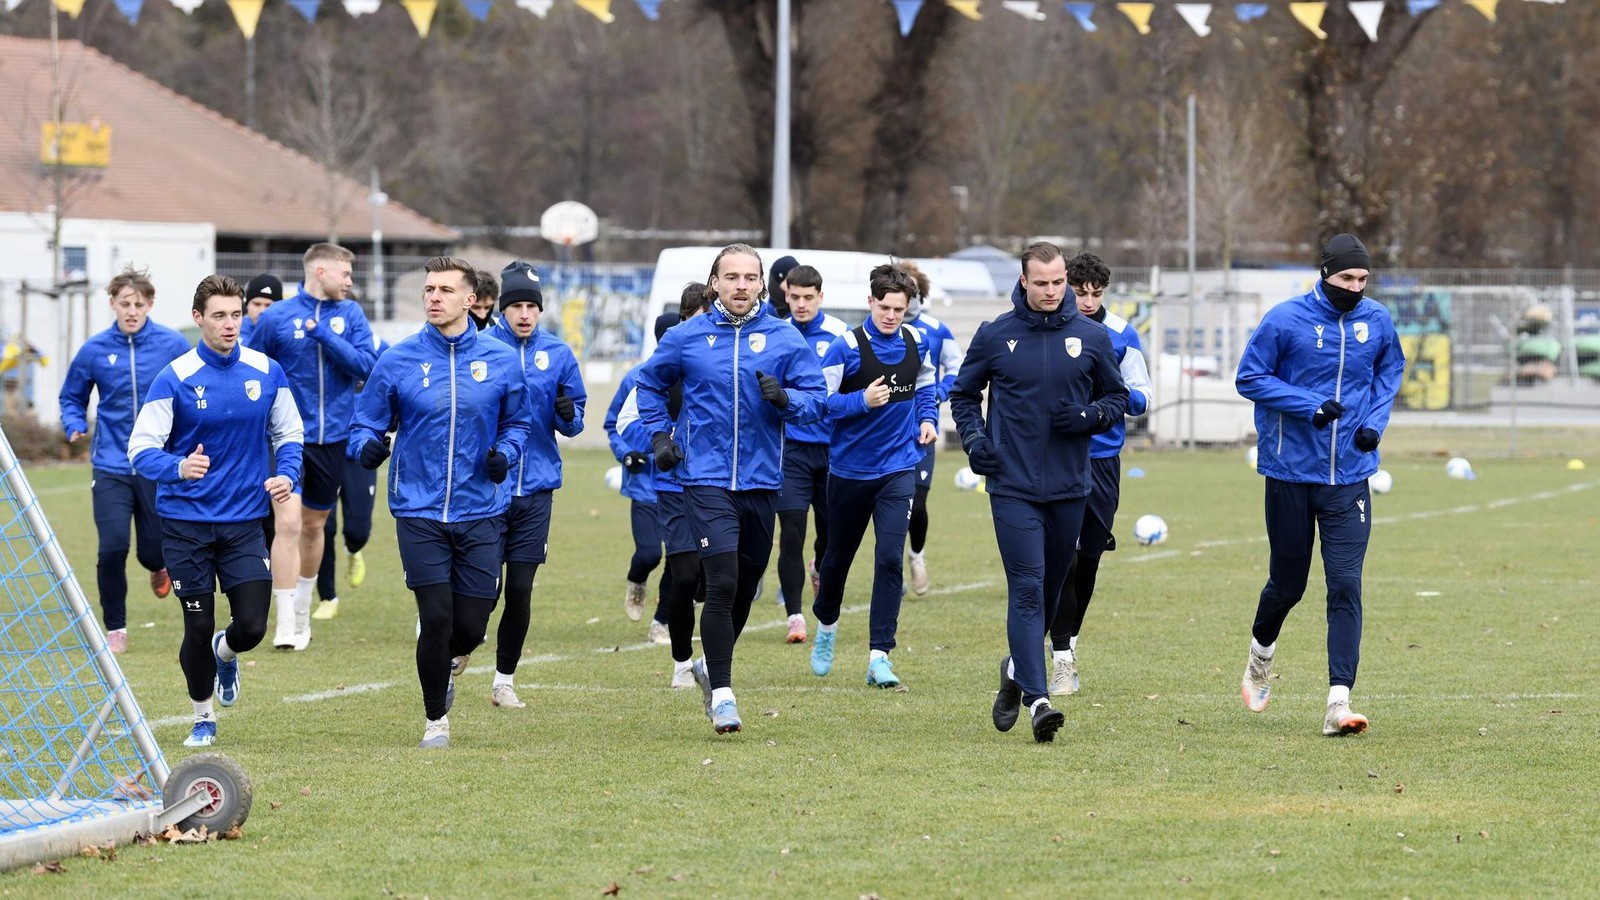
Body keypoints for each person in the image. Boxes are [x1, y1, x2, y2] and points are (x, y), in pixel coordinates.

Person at [633, 244, 826, 734]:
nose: (741, 285)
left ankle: (708, 666)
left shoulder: (783, 338)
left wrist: (787, 400)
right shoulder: (686, 337)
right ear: (714, 282)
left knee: (744, 585)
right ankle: (722, 694)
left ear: (763, 284)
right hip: (705, 477)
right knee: (719, 581)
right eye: (731, 277)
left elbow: (815, 397)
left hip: (762, 480)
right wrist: (661, 436)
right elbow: (650, 385)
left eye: (750, 277)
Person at [949, 242, 1129, 744]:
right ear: (1024, 282)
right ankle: (1039, 699)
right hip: (1012, 485)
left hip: (1071, 487)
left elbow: (1117, 398)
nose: (1051, 291)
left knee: (1050, 592)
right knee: (1027, 587)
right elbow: (963, 395)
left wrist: (1089, 418)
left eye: (1058, 282)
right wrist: (975, 441)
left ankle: (1014, 669)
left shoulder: (1092, 337)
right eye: (1041, 283)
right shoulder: (994, 335)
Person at [348, 256, 529, 749]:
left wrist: (505, 455)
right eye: (429, 289)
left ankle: (451, 663)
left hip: (481, 510)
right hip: (418, 509)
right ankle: (435, 722)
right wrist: (366, 447)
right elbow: (365, 424)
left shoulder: (500, 360)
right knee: (436, 616)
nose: (434, 297)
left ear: (471, 300)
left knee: (471, 624)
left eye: (446, 290)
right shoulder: (399, 359)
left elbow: (518, 424)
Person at [1236, 233, 1405, 737]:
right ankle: (1260, 657)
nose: (1356, 287)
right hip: (1289, 473)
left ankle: (1338, 702)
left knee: (1346, 584)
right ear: (1326, 273)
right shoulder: (1285, 319)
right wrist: (1306, 404)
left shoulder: (1376, 320)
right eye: (1347, 278)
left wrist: (1374, 423)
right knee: (1287, 585)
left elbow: (1389, 371)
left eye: (1363, 279)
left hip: (1349, 478)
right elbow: (1250, 377)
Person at [127, 275, 303, 748]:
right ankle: (203, 716)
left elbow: (289, 433)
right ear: (198, 318)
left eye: (236, 314)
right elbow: (140, 448)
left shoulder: (267, 371)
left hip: (245, 523)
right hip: (186, 526)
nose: (231, 325)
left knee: (251, 626)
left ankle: (226, 654)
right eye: (219, 315)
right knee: (197, 622)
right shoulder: (176, 377)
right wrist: (179, 466)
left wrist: (287, 474)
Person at [808, 263, 938, 688]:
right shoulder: (845, 347)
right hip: (848, 472)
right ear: (870, 302)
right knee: (837, 561)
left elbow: (926, 387)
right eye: (885, 307)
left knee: (888, 558)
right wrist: (861, 401)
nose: (891, 316)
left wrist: (928, 419)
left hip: (898, 468)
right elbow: (822, 403)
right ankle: (826, 628)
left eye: (899, 309)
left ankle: (880, 656)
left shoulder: (918, 341)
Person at [468, 260, 585, 710]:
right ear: (502, 308)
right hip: (487, 488)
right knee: (484, 591)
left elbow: (574, 424)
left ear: (540, 310)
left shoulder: (557, 353)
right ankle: (460, 647)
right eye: (515, 305)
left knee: (519, 588)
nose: (523, 314)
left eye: (531, 307)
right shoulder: (478, 348)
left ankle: (504, 680)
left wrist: (565, 412)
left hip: (536, 489)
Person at [251, 243, 378, 651]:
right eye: (346, 274)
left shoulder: (351, 315)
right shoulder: (276, 318)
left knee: (313, 526)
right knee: (287, 524)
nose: (350, 282)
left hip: (334, 439)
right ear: (321, 271)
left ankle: (303, 612)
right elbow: (251, 368)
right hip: (287, 439)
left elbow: (367, 367)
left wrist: (324, 336)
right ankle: (285, 622)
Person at [58, 265, 192, 653]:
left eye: (138, 304)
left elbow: (196, 386)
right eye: (124, 304)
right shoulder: (95, 350)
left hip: (157, 463)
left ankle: (158, 565)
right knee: (112, 546)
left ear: (150, 304)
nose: (131, 311)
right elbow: (72, 396)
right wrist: (73, 422)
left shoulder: (171, 345)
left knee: (152, 550)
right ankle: (115, 627)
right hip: (111, 465)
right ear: (113, 304)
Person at [1047, 252, 1153, 696]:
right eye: (1080, 292)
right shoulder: (1050, 330)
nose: (1087, 301)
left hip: (1104, 460)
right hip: (1058, 458)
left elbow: (1144, 396)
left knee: (1088, 559)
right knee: (1064, 560)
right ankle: (1061, 655)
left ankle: (1068, 640)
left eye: (1096, 293)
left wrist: (1108, 402)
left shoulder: (1120, 335)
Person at [615, 286, 711, 684]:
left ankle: (711, 658)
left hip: (726, 484)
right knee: (679, 570)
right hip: (670, 486)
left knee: (718, 580)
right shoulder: (658, 369)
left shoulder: (733, 358)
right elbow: (623, 424)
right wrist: (661, 440)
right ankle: (682, 663)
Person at [773, 263, 848, 643]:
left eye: (808, 297)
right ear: (785, 295)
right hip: (791, 451)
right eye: (795, 297)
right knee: (790, 531)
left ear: (820, 296)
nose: (801, 304)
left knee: (830, 534)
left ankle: (819, 566)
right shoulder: (777, 333)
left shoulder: (839, 335)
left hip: (833, 451)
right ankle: (795, 616)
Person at [240, 272, 305, 631]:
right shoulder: (234, 345)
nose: (262, 312)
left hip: (287, 441)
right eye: (256, 304)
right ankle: (257, 600)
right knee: (259, 528)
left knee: (295, 523)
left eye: (270, 305)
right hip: (248, 447)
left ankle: (290, 613)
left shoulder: (286, 343)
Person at [311, 330, 390, 620]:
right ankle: (327, 596)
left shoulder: (381, 349)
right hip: (324, 450)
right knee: (323, 526)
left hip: (359, 454)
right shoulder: (320, 349)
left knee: (357, 530)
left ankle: (353, 549)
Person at [898, 261, 964, 596]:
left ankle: (916, 556)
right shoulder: (877, 328)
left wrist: (937, 393)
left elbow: (956, 370)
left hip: (922, 430)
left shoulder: (937, 330)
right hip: (883, 431)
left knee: (918, 503)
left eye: (909, 292)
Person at [605, 319, 667, 637]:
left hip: (683, 485)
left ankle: (662, 621)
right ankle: (637, 581)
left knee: (684, 560)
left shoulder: (697, 376)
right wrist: (626, 453)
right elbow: (613, 423)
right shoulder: (638, 377)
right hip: (644, 485)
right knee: (649, 554)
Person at [240, 273, 282, 348]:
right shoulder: (233, 329)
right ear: (247, 305)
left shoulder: (287, 333)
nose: (262, 311)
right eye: (257, 304)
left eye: (268, 305)